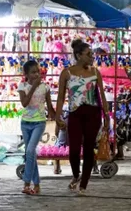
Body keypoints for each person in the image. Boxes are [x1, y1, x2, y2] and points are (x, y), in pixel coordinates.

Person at [55, 40, 110, 195]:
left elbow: (101, 95)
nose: (92, 57)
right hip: (75, 113)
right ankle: (76, 175)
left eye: (92, 54)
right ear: (78, 55)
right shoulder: (66, 73)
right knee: (73, 149)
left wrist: (106, 115)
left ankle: (84, 183)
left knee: (88, 148)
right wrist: (58, 117)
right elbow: (60, 97)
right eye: (88, 54)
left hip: (93, 113)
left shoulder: (95, 72)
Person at [18, 60, 55, 195]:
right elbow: (24, 103)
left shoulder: (45, 87)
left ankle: (27, 183)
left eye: (37, 72)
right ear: (26, 74)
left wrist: (57, 119)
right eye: (33, 72)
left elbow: (50, 107)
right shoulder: (22, 85)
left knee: (30, 150)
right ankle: (37, 185)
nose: (36, 74)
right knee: (31, 154)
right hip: (25, 123)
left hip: (39, 122)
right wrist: (33, 87)